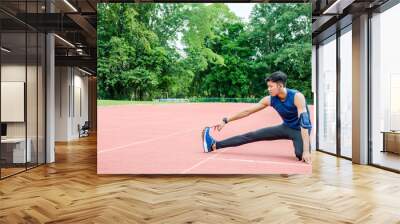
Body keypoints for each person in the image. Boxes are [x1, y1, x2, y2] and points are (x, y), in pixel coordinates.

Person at [202, 71, 312, 164]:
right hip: (286, 127)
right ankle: (214, 145)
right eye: (268, 86)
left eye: (271, 86)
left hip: (300, 130)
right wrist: (226, 120)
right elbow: (247, 111)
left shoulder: (297, 97)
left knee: (300, 155)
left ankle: (305, 149)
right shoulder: (270, 99)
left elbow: (305, 124)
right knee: (251, 135)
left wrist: (306, 151)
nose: (268, 89)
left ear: (280, 85)